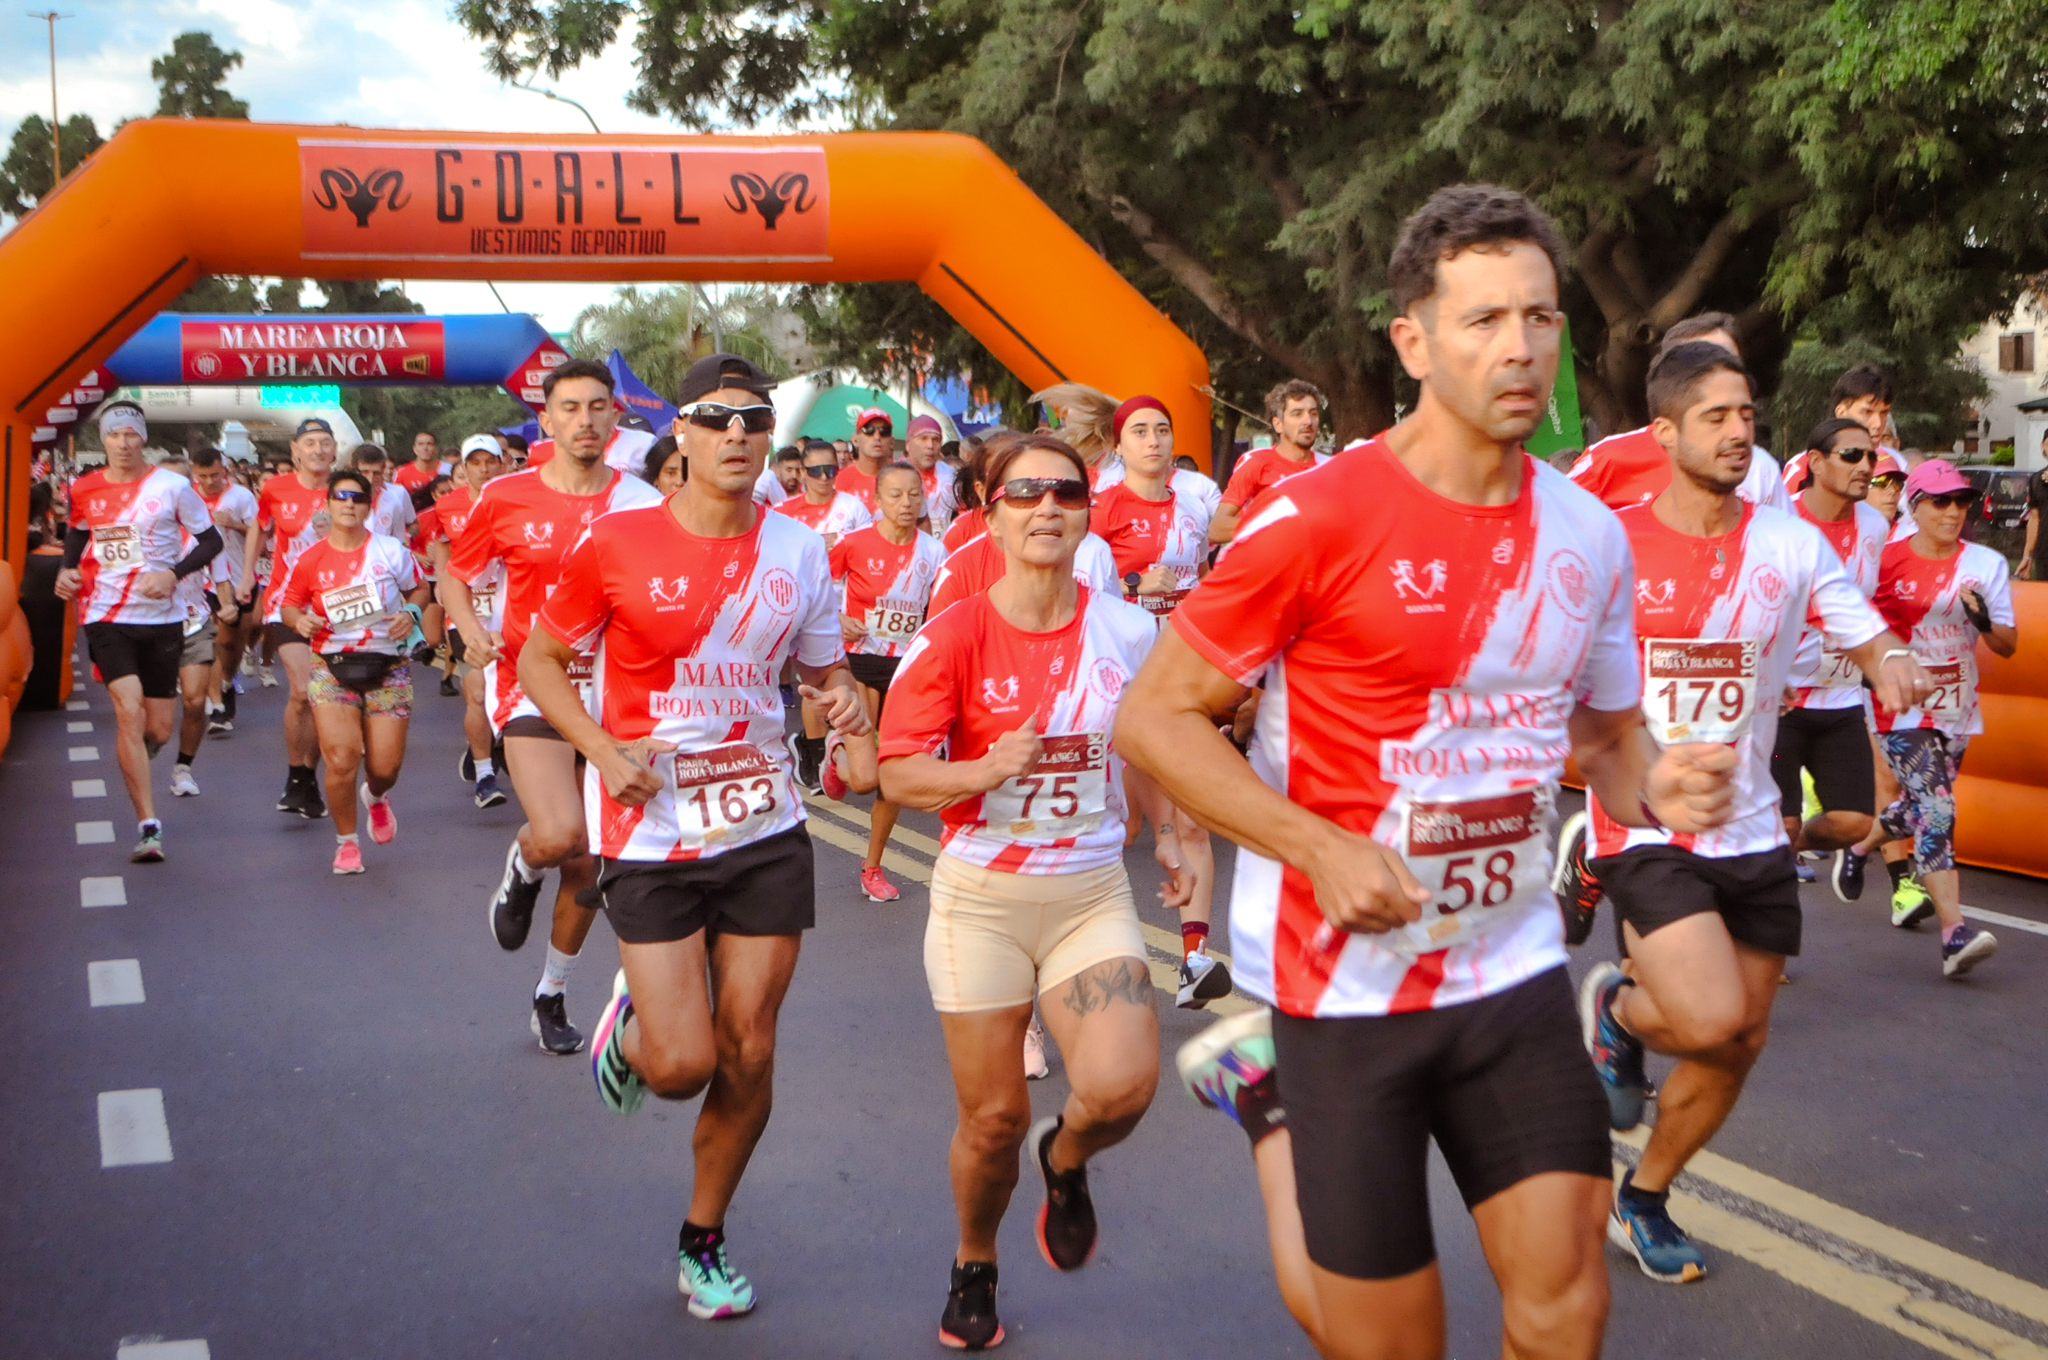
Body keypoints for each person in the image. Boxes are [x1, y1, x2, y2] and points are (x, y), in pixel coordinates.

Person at [1123, 185, 1738, 1360]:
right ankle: (1266, 1100)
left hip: (1505, 967)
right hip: (1344, 986)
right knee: (1384, 1342)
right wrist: (1315, 844)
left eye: (1541, 318)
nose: (1520, 348)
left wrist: (1656, 785)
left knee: (1566, 1308)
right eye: (1482, 320)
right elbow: (1153, 720)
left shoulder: (1584, 533)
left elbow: (1606, 742)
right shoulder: (1315, 517)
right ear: (1411, 340)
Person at [520, 355, 869, 1326]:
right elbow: (543, 660)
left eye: (753, 419)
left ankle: (702, 1236)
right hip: (649, 821)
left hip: (761, 822)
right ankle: (635, 1024)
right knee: (681, 1066)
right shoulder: (615, 541)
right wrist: (596, 747)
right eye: (716, 418)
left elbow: (824, 675)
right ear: (680, 431)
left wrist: (840, 700)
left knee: (749, 1050)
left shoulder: (799, 550)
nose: (736, 435)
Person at [1573, 342, 1928, 1285]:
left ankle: (1645, 1196)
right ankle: (1622, 1007)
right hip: (1647, 821)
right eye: (1716, 417)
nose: (1740, 432)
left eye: (1747, 415)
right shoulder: (1610, 540)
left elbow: (1856, 621)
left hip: (1754, 822)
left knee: (1742, 1039)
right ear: (1665, 433)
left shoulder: (1788, 541)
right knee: (1705, 1014)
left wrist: (1888, 657)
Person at [879, 433, 1171, 1352]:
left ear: (1089, 510)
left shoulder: (1125, 629)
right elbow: (897, 777)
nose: (1048, 506)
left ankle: (1068, 1154)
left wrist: (1173, 832)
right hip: (983, 901)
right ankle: (975, 1259)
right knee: (995, 1114)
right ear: (991, 509)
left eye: (1067, 492)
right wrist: (978, 770)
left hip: (1088, 890)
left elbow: (1153, 741)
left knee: (1122, 1086)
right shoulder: (953, 633)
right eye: (1025, 492)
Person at [444, 358, 664, 1055]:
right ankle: (521, 866)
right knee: (561, 832)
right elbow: (457, 576)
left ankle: (551, 993)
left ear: (614, 416)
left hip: (617, 694)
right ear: (546, 420)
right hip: (531, 683)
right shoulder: (506, 496)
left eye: (598, 407)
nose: (586, 420)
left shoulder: (642, 503)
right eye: (570, 408)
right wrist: (468, 629)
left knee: (591, 863)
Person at [1088, 394, 1230, 1007]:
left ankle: (1195, 958)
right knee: (1122, 827)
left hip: (1183, 678)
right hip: (1118, 683)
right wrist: (1131, 583)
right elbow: (1076, 580)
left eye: (1162, 430)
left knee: (1192, 820)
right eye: (1139, 431)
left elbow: (1207, 576)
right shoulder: (1101, 507)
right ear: (1119, 445)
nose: (1153, 440)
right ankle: (1089, 957)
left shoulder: (1195, 503)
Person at [55, 402, 222, 861]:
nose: (123, 443)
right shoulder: (84, 487)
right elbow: (78, 532)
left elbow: (212, 541)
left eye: (131, 434)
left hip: (162, 618)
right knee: (127, 711)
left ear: (142, 438)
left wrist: (172, 572)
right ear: (103, 441)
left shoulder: (172, 487)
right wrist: (67, 570)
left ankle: (142, 756)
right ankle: (149, 825)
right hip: (106, 614)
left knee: (159, 729)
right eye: (114, 435)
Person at [1869, 458, 2017, 974]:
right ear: (1916, 507)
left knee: (1920, 805)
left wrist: (1982, 619)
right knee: (1936, 809)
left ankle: (1861, 842)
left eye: (1962, 502)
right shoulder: (1884, 561)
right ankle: (1955, 934)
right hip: (1901, 708)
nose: (1954, 511)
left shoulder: (1986, 564)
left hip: (1956, 706)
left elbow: (2007, 646)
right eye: (1941, 501)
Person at [1769, 418, 1893, 903]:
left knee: (1855, 822)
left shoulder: (1875, 526)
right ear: (1816, 462)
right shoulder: (1780, 522)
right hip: (1781, 698)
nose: (1866, 466)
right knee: (1782, 818)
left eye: (1871, 458)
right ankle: (1762, 939)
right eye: (1852, 456)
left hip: (1840, 697)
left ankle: (1774, 851)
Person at [279, 468, 423, 874]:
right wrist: (299, 621)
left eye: (357, 497)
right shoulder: (310, 558)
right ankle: (347, 843)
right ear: (327, 505)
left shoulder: (391, 551)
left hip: (388, 664)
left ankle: (376, 797)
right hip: (332, 665)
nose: (348, 504)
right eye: (340, 497)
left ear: (367, 505)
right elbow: (290, 604)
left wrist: (410, 612)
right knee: (342, 758)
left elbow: (421, 589)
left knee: (384, 767)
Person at [828, 463, 947, 901]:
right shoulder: (855, 543)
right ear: (876, 500)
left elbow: (944, 609)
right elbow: (813, 583)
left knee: (890, 778)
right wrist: (838, 617)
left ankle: (872, 867)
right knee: (861, 780)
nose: (906, 503)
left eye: (914, 494)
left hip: (907, 668)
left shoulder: (934, 552)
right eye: (895, 495)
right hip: (860, 662)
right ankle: (835, 750)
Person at [1565, 312, 1791, 514]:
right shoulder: (1605, 461)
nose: (1718, 376)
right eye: (1698, 366)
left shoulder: (1760, 468)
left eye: (1730, 364)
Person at [246, 418, 344, 820]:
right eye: (310, 443)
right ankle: (294, 775)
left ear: (335, 450)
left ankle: (307, 775)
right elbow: (260, 527)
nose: (318, 449)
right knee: (303, 690)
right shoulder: (275, 488)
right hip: (286, 603)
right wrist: (244, 576)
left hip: (335, 607)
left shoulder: (347, 490)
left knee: (323, 697)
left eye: (325, 442)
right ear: (295, 450)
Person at [422, 435, 510, 807]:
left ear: (502, 462)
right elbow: (439, 542)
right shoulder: (447, 505)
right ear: (465, 467)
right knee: (476, 692)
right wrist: (444, 582)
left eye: (490, 461)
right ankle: (486, 776)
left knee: (512, 693)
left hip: (511, 610)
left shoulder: (517, 497)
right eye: (475, 462)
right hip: (468, 612)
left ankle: (498, 741)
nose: (484, 468)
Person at [165, 453, 239, 798]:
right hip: (146, 624)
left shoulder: (203, 532)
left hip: (193, 620)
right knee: (155, 717)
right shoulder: (133, 529)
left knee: (194, 702)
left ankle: (182, 768)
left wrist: (227, 606)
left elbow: (221, 576)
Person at [190, 447, 258, 735]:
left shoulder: (241, 497)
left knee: (232, 642)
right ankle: (216, 703)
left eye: (214, 475)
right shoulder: (187, 496)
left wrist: (233, 524)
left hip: (235, 576)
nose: (208, 482)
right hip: (199, 579)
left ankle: (227, 682)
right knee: (214, 639)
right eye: (202, 476)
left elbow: (258, 532)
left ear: (225, 471)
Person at [1211, 380, 1327, 545]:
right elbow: (1216, 528)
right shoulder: (1256, 462)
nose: (1308, 421)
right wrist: (1277, 525)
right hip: (1268, 567)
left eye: (1313, 413)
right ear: (1278, 424)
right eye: (1297, 413)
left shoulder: (1330, 467)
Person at [903, 414, 959, 533]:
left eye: (936, 439)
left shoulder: (952, 477)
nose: (930, 445)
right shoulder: (893, 476)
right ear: (908, 444)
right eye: (923, 438)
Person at [355, 444, 419, 543]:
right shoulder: (343, 499)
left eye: (376, 473)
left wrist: (407, 537)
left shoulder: (396, 497)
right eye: (365, 472)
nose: (370, 479)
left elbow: (410, 527)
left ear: (383, 470)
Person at [839, 408, 895, 512]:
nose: (877, 437)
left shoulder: (905, 477)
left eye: (884, 431)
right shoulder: (841, 481)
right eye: (869, 430)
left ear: (891, 441)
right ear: (855, 440)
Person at [2020, 430, 2048, 580]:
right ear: (2043, 447)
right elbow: (2035, 518)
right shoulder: (2036, 479)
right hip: (2044, 555)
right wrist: (2028, 555)